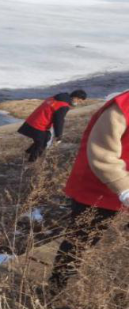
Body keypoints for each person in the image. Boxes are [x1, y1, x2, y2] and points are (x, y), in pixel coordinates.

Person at [48, 91, 129, 294]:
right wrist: (125, 189)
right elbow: (103, 154)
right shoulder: (123, 107)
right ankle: (55, 293)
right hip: (99, 189)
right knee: (79, 243)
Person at [20, 89, 87, 163]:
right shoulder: (63, 105)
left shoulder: (57, 97)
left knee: (45, 138)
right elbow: (59, 121)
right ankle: (31, 162)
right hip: (39, 124)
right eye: (79, 101)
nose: (78, 103)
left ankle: (27, 153)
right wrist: (59, 136)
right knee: (41, 145)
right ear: (75, 98)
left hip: (33, 120)